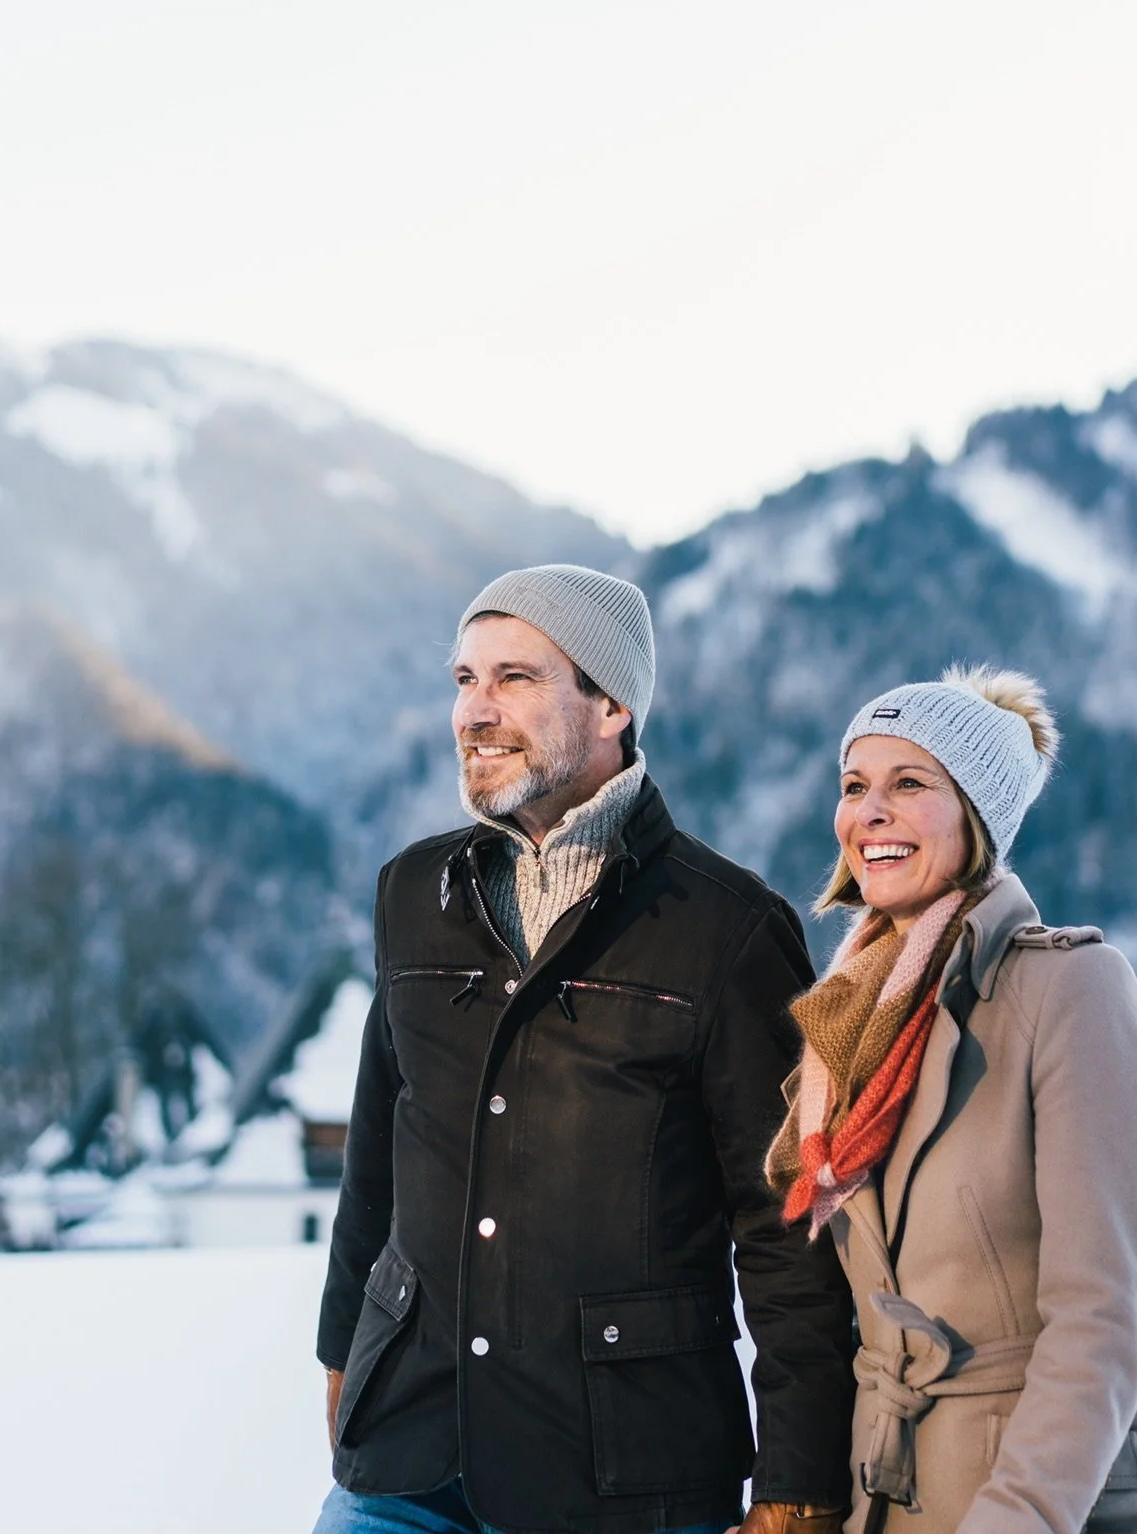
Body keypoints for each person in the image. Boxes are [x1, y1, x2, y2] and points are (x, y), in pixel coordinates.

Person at [317, 565, 855, 1534]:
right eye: (463, 679)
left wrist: (798, 1479)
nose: (474, 711)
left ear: (610, 704)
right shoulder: (411, 892)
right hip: (406, 1456)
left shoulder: (725, 929)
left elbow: (784, 1225)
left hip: (623, 1470)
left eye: (513, 678)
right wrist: (341, 1361)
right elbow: (376, 1162)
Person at [766, 667, 1137, 1534]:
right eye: (854, 786)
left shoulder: (1070, 992)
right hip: (887, 1492)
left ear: (978, 817)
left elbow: (1103, 1323)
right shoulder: (851, 1021)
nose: (868, 812)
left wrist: (1019, 1515)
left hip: (1045, 1498)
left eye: (910, 783)